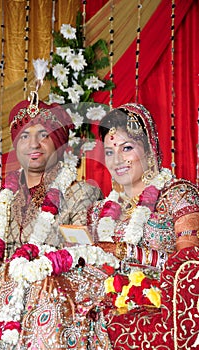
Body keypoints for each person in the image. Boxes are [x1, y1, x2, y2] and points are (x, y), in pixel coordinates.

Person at [0, 93, 118, 349]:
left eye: (43, 135)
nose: (33, 144)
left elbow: (83, 255)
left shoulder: (80, 193)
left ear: (58, 143)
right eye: (24, 136)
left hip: (46, 296)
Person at [87, 103, 199, 348]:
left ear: (149, 149)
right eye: (109, 152)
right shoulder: (100, 211)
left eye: (126, 148)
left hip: (158, 298)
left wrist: (124, 252)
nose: (117, 160)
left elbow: (189, 267)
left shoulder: (178, 196)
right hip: (104, 296)